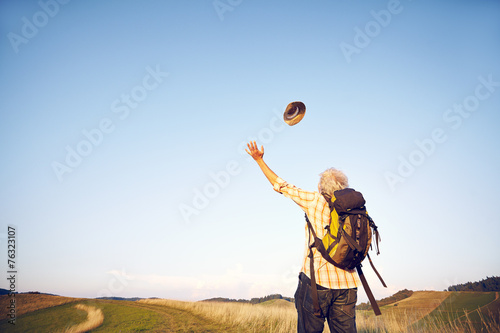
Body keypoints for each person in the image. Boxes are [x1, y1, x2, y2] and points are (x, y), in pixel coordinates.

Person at [245, 140, 360, 333]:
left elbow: (281, 185)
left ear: (321, 187)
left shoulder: (315, 201)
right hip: (348, 283)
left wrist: (259, 160)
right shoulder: (355, 209)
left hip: (317, 284)